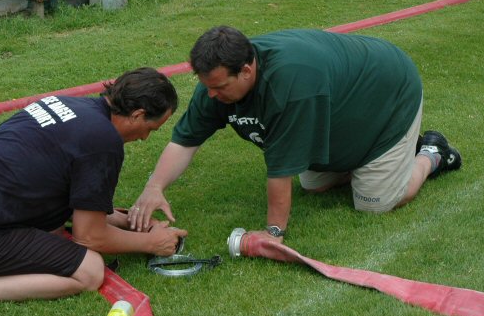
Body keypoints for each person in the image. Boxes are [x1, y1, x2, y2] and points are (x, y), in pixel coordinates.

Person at [127, 26, 461, 240]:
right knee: (314, 185)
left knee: (375, 203)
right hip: (341, 104)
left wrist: (273, 233)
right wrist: (153, 187)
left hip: (388, 94)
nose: (210, 96)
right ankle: (375, 161)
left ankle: (430, 153)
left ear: (246, 70)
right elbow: (185, 141)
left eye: (218, 87)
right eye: (206, 86)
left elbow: (279, 171)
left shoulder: (291, 87)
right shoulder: (215, 85)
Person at [0, 67, 187, 309]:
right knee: (89, 270)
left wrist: (128, 222)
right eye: (151, 129)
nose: (146, 138)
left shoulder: (69, 103)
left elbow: (70, 199)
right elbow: (90, 237)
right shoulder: (103, 142)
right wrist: (151, 244)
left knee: (55, 230)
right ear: (137, 114)